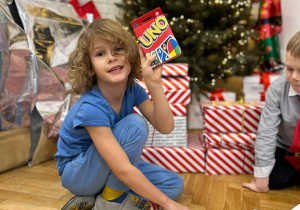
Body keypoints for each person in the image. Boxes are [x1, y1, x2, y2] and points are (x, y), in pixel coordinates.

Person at [54, 18, 189, 210]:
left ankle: (99, 196)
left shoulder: (133, 90)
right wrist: (167, 204)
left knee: (173, 184)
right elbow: (122, 168)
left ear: (130, 55)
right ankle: (111, 200)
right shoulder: (91, 106)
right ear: (90, 67)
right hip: (78, 173)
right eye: (100, 53)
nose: (112, 57)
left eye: (118, 49)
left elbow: (166, 127)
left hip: (110, 166)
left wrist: (154, 84)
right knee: (135, 124)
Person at [242, 31, 300, 192]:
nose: (295, 77)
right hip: (283, 148)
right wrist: (261, 178)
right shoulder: (277, 88)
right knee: (274, 179)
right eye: (289, 69)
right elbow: (266, 131)